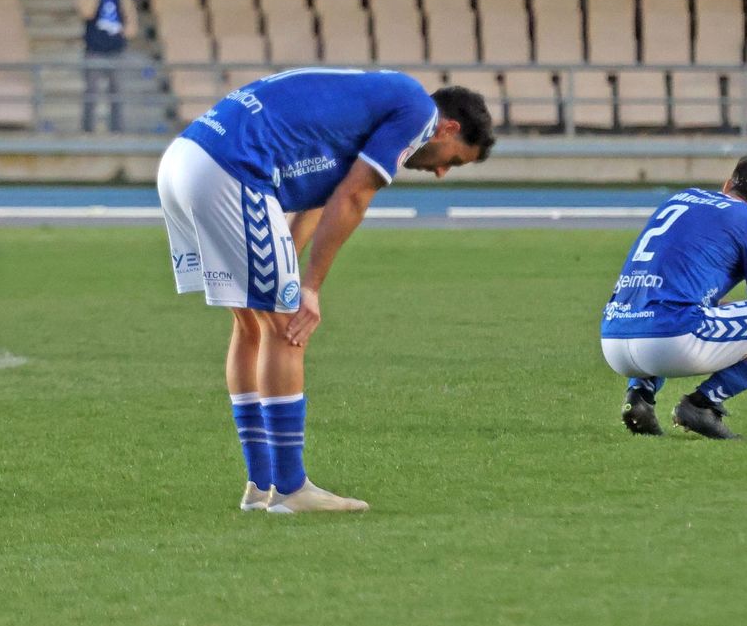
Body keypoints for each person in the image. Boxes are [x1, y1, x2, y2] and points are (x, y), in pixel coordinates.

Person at [157, 70, 495, 513]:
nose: (441, 172)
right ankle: (291, 490)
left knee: (253, 324)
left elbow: (323, 199)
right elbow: (353, 198)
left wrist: (289, 275)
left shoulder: (370, 103)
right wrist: (309, 288)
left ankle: (262, 485)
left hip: (186, 158)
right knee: (287, 329)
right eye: (454, 160)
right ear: (447, 128)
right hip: (231, 168)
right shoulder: (418, 112)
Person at [601, 156, 747, 441]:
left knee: (691, 303)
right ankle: (703, 403)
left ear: (727, 185)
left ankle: (640, 393)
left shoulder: (682, 198)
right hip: (670, 341)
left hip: (613, 338)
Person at [75, 0, 139, 133]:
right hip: (94, 50)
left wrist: (127, 32)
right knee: (91, 93)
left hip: (116, 50)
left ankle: (117, 131)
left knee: (117, 94)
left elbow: (131, 16)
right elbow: (87, 12)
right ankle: (87, 131)